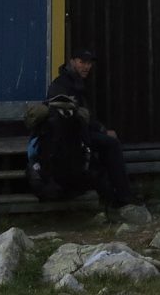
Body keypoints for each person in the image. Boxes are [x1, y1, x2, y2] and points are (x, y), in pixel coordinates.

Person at [44, 48, 137, 210]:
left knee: (108, 145)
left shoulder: (74, 83)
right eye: (82, 62)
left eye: (89, 63)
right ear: (72, 61)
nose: (86, 67)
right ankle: (124, 196)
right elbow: (70, 116)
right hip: (70, 138)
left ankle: (119, 195)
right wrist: (101, 130)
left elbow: (84, 116)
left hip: (79, 134)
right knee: (111, 145)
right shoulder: (61, 85)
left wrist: (100, 128)